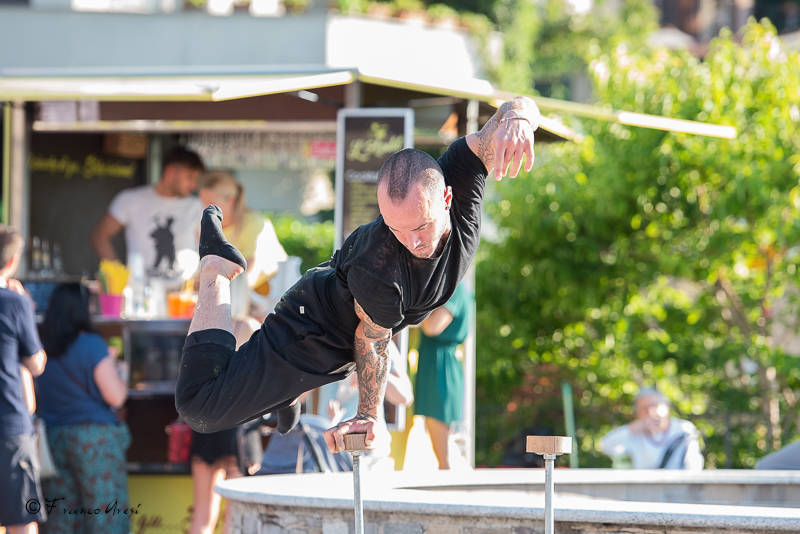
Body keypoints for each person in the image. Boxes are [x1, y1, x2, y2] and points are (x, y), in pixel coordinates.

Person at [174, 96, 539, 453]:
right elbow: (372, 340)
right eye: (396, 229)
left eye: (420, 227)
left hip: (334, 330)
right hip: (308, 333)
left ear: (446, 198)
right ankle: (216, 269)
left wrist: (519, 118)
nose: (412, 242)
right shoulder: (379, 262)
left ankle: (283, 390)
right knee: (200, 408)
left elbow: (510, 111)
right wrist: (368, 415)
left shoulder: (461, 173)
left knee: (256, 389)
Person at [36, 283, 130, 534]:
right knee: (106, 518)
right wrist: (120, 371)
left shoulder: (42, 348)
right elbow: (116, 397)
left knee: (62, 519)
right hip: (94, 442)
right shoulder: (91, 344)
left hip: (53, 440)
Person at [91, 146, 205, 283]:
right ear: (170, 172)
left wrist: (203, 280)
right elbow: (100, 236)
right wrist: (117, 277)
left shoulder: (196, 206)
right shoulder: (130, 199)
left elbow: (207, 249)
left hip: (183, 292)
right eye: (190, 177)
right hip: (141, 292)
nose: (193, 185)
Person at [187, 317, 259, 534]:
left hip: (206, 423)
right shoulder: (252, 328)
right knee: (235, 518)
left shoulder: (204, 331)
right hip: (240, 429)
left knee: (203, 517)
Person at [0, 225, 48, 534]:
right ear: (12, 261)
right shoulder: (14, 302)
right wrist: (25, 305)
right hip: (8, 424)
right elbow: (36, 362)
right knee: (21, 519)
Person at [197, 170, 288, 319]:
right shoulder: (209, 227)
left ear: (231, 200)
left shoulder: (254, 223)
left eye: (210, 204)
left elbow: (247, 275)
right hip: (236, 301)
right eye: (203, 203)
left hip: (269, 302)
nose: (204, 209)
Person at [325, 340, 414, 471]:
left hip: (370, 450)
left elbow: (406, 396)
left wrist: (371, 373)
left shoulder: (381, 338)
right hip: (326, 450)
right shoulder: (321, 338)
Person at [414, 281, 471, 469]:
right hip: (434, 357)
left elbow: (433, 326)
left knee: (439, 414)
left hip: (442, 360)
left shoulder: (453, 286)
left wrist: (410, 306)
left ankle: (446, 471)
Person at [599, 387, 704, 470]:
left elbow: (694, 464)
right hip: (645, 488)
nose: (651, 412)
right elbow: (605, 446)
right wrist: (632, 429)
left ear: (667, 407)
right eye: (645, 409)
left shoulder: (683, 429)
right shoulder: (636, 434)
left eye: (655, 406)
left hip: (678, 486)